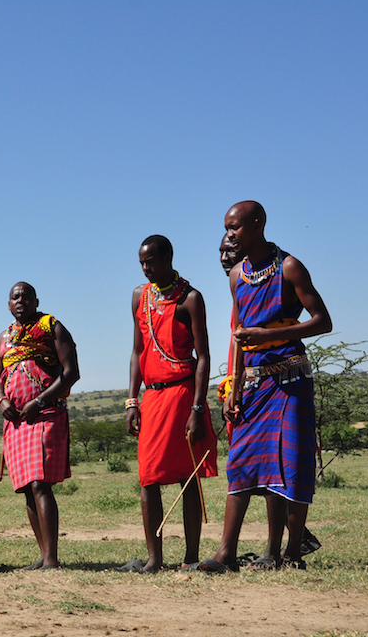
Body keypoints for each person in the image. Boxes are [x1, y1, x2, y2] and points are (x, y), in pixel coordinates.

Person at [200, 212, 329, 572]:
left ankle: (283, 553)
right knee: (240, 461)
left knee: (286, 463)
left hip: (290, 380)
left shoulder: (289, 267)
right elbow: (240, 336)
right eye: (227, 228)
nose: (230, 234)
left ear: (257, 225)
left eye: (235, 227)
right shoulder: (236, 276)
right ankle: (226, 554)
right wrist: (233, 388)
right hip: (253, 384)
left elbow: (323, 320)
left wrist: (267, 336)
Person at [123, 235, 218, 573]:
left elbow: (204, 357)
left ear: (169, 258)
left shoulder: (190, 299)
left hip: (182, 395)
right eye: (142, 264)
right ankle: (154, 559)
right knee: (148, 477)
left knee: (187, 476)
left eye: (151, 262)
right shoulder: (140, 296)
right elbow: (137, 352)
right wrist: (132, 400)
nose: (147, 269)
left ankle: (191, 557)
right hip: (153, 397)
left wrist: (197, 408)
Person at [0, 282, 80, 571]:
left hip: (46, 413)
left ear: (36, 300)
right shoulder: (3, 338)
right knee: (27, 490)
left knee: (41, 483)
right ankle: (44, 556)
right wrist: (1, 400)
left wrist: (39, 402)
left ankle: (52, 559)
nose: (21, 300)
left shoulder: (51, 326)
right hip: (17, 420)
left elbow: (71, 373)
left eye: (26, 296)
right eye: (15, 297)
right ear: (8, 304)